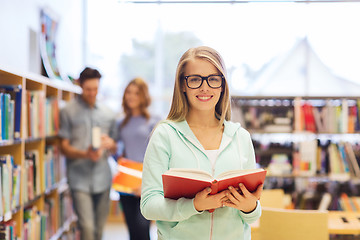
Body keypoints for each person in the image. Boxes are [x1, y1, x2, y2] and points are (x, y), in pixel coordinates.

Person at [140, 46, 263, 239]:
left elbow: (252, 215)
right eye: (195, 79)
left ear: (222, 85)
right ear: (182, 84)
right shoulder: (165, 135)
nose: (205, 88)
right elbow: (148, 205)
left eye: (213, 79)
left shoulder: (241, 137)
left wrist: (250, 207)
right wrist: (195, 205)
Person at [59, 67, 117, 240]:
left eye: (96, 89)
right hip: (79, 178)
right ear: (80, 85)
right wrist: (85, 154)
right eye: (88, 89)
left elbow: (115, 148)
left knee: (99, 230)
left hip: (103, 178)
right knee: (87, 228)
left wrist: (111, 144)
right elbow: (63, 147)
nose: (92, 93)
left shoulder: (109, 113)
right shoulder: (67, 111)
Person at [117, 77, 160, 240]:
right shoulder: (120, 122)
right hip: (126, 182)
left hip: (146, 181)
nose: (131, 96)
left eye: (136, 93)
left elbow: (158, 155)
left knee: (142, 229)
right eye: (128, 92)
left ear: (144, 96)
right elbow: (120, 151)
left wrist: (145, 183)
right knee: (132, 231)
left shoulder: (154, 120)